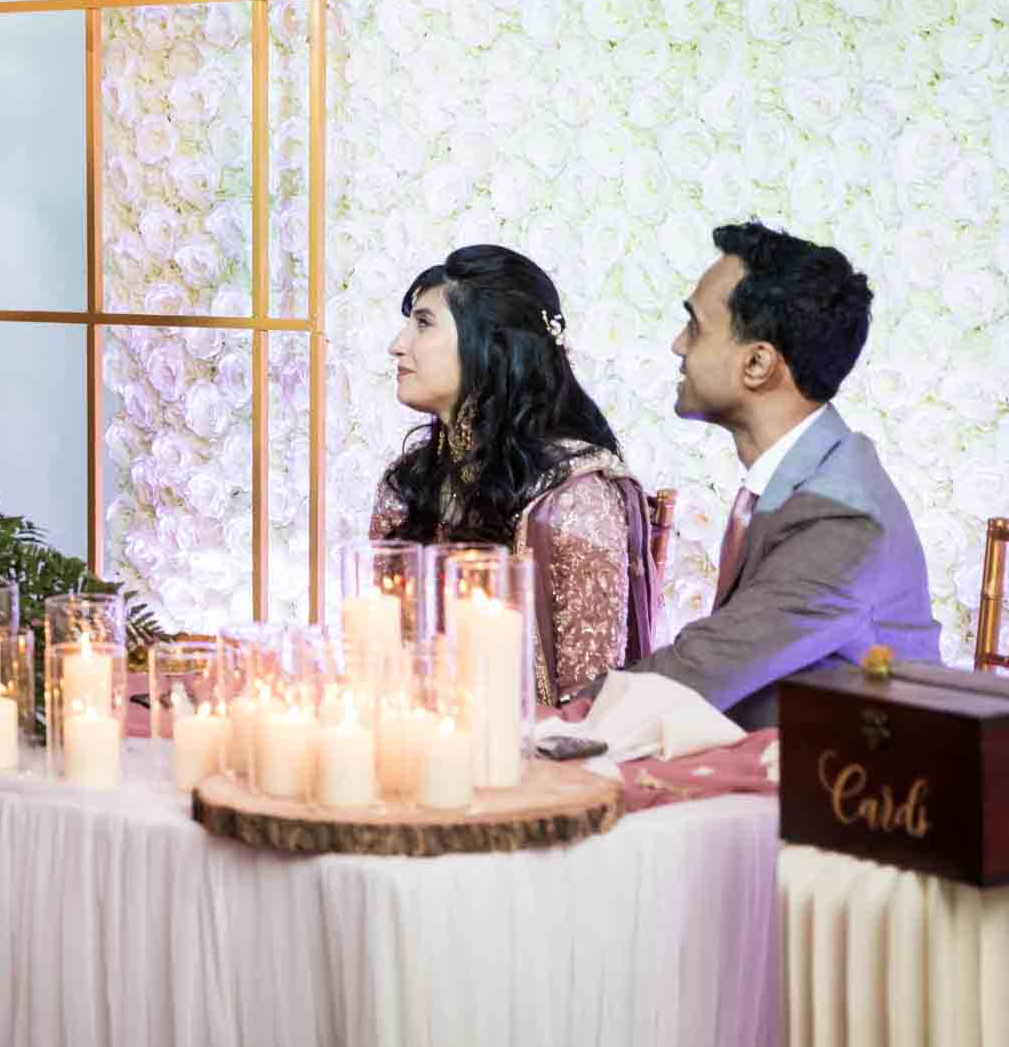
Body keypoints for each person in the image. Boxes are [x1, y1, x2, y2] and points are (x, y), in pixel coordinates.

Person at [629, 222, 938, 726]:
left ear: (757, 364)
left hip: (867, 789)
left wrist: (549, 727)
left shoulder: (839, 516)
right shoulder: (799, 477)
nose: (677, 346)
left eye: (695, 328)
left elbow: (699, 672)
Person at [372, 245, 659, 706]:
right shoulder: (407, 486)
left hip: (537, 760)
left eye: (423, 323)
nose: (397, 344)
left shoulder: (571, 496)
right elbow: (383, 660)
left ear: (491, 343)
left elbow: (589, 701)